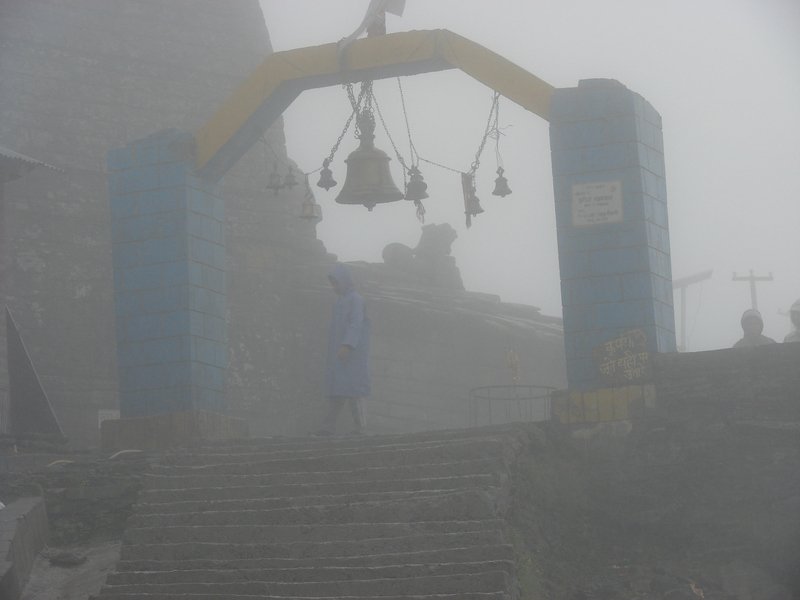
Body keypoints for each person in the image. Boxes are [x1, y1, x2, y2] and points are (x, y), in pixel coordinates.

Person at [317, 264, 371, 435]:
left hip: (353, 354)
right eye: (332, 284)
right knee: (337, 390)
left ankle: (361, 428)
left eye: (336, 283)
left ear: (345, 281)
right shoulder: (339, 301)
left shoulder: (356, 299)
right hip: (339, 355)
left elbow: (356, 324)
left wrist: (347, 345)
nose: (334, 287)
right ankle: (328, 427)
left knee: (355, 391)